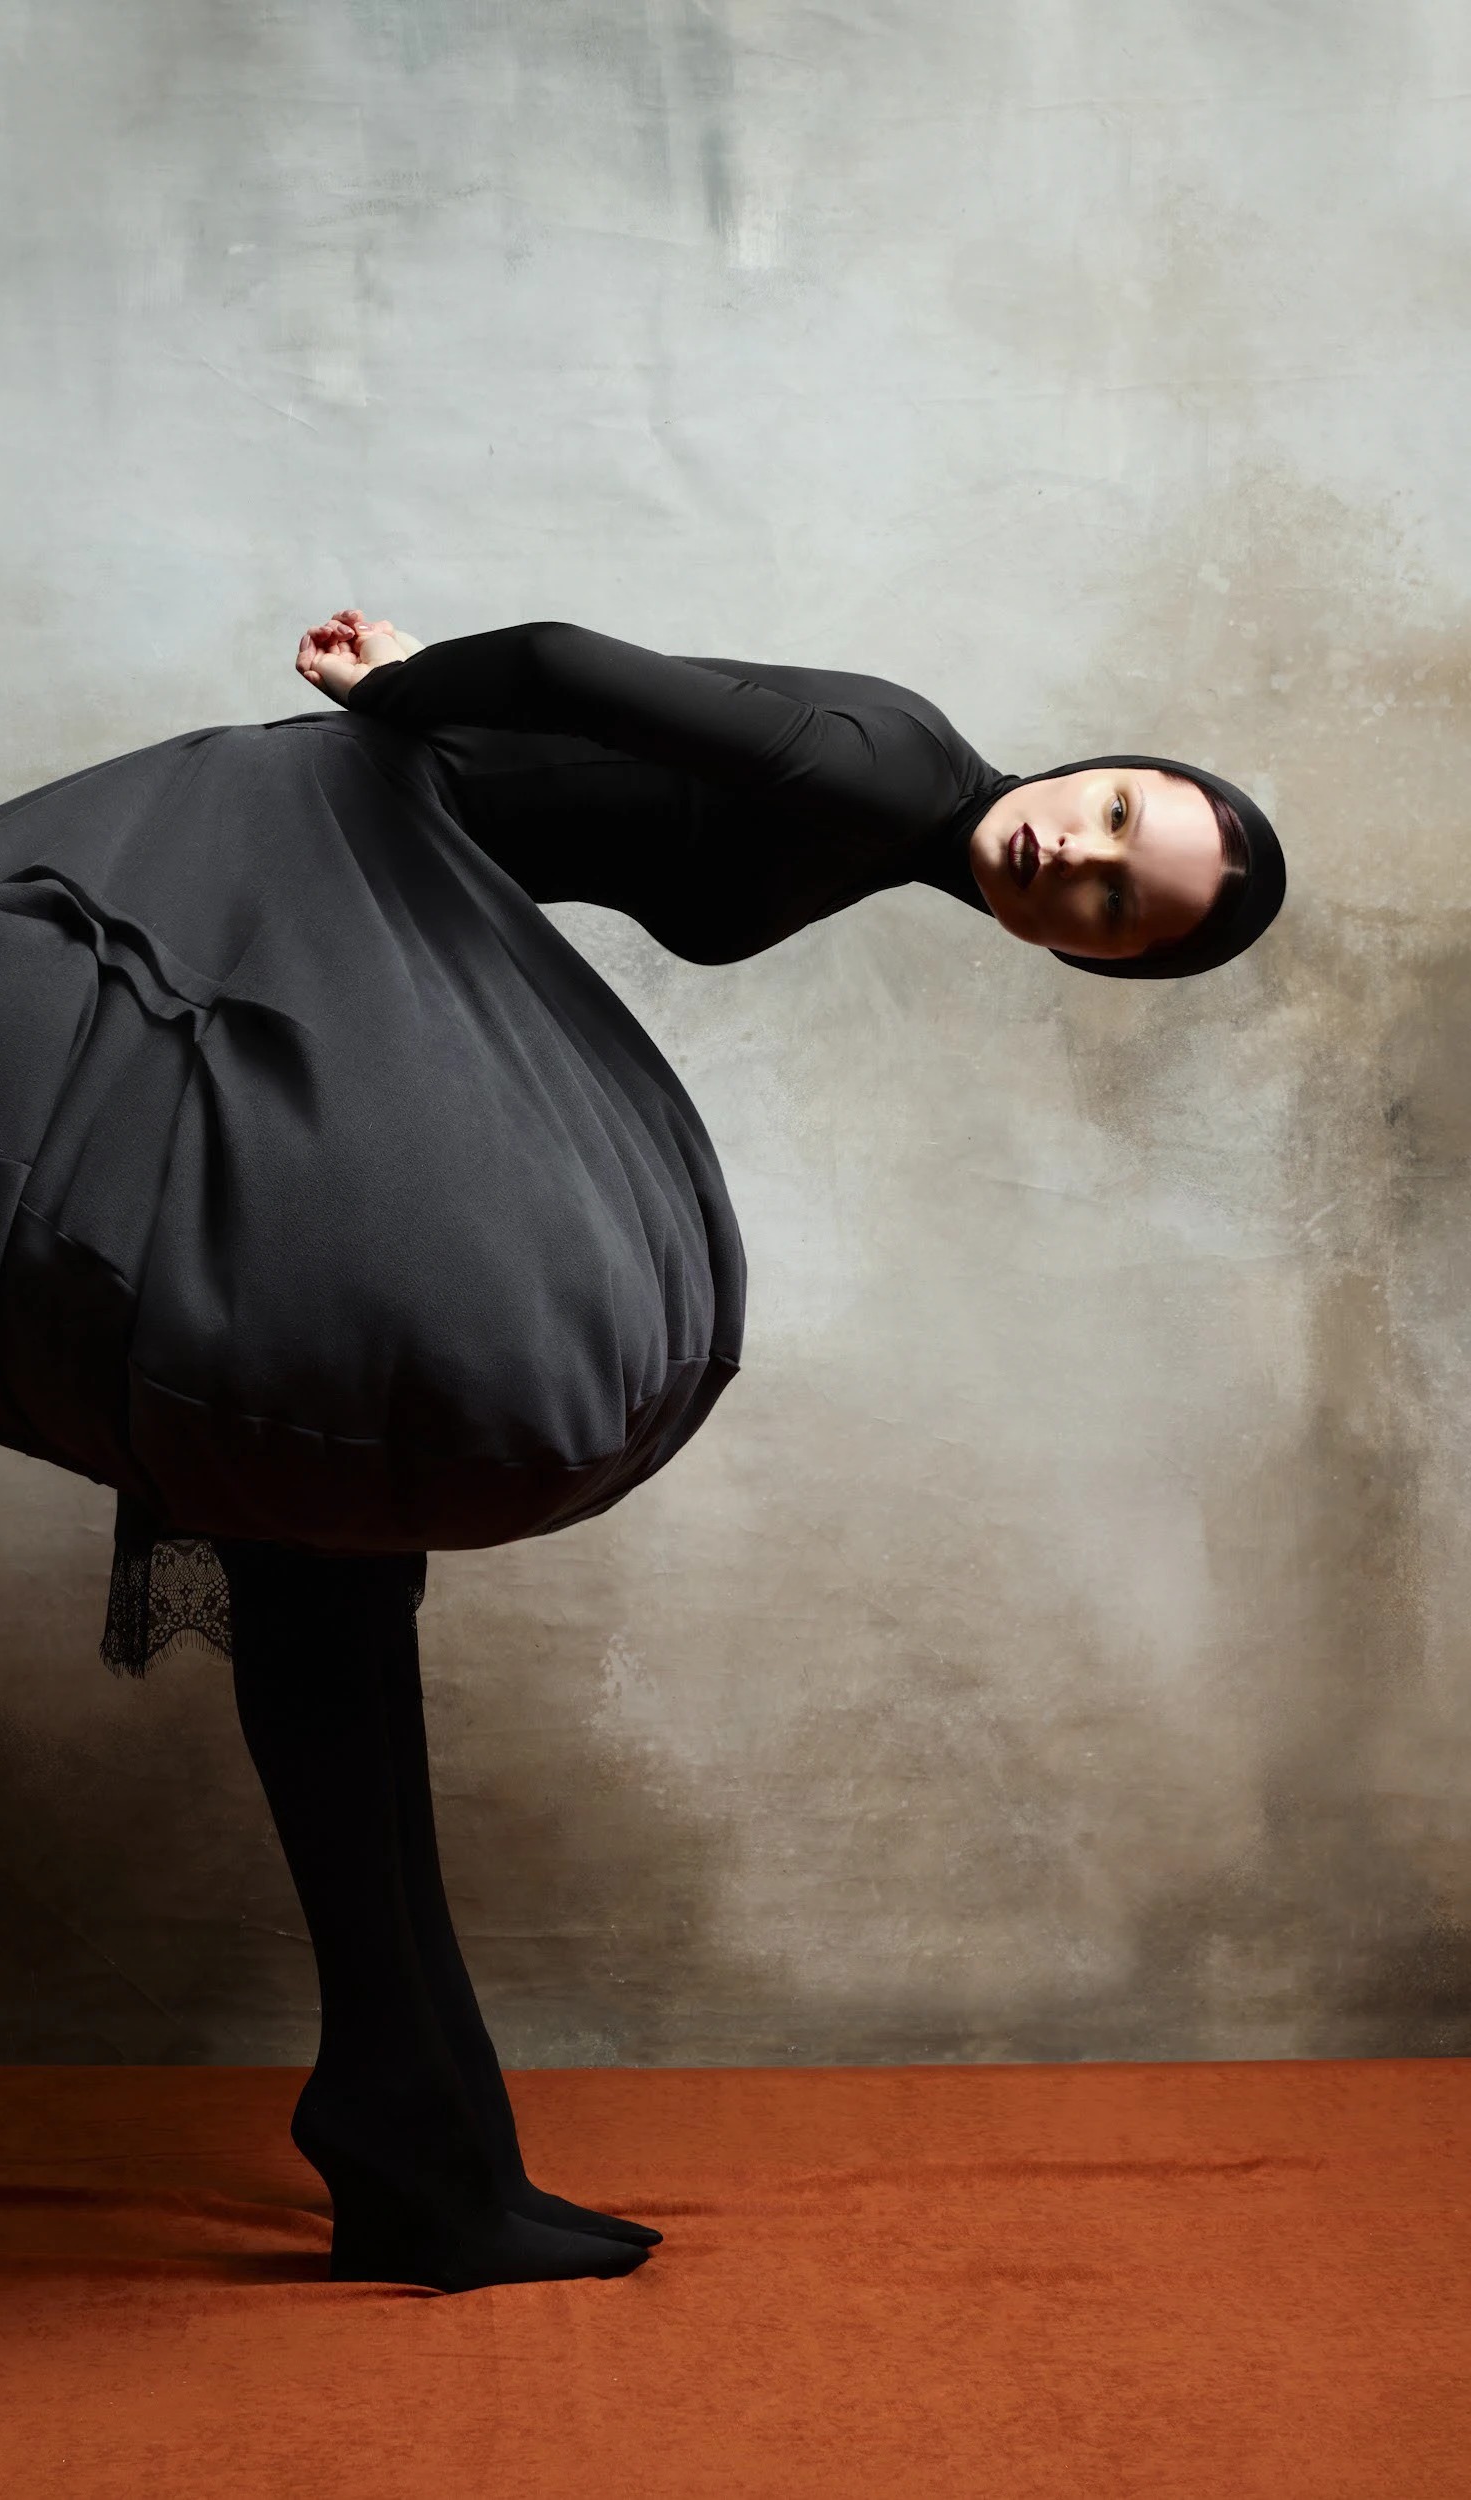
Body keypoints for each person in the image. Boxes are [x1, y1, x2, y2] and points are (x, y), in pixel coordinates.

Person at [173, 608, 1290, 2294]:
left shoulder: (898, 808)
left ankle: (420, 2140)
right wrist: (403, 693)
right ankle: (412, 2149)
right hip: (296, 912)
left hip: (335, 922)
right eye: (1119, 811)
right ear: (1107, 765)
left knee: (331, 1555)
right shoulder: (896, 769)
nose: (1078, 854)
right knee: (325, 1539)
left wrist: (413, 711)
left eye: (1117, 901)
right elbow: (557, 663)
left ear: (1092, 961)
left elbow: (584, 743)